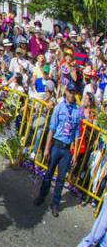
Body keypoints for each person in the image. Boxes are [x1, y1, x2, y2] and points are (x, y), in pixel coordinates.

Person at [34, 82, 83, 217]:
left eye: (74, 93)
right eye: (70, 92)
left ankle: (55, 204)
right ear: (66, 92)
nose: (72, 95)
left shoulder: (77, 112)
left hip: (67, 149)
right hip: (56, 144)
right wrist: (47, 148)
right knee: (49, 173)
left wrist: (75, 153)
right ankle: (42, 196)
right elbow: (52, 129)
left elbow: (77, 135)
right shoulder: (59, 108)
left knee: (61, 179)